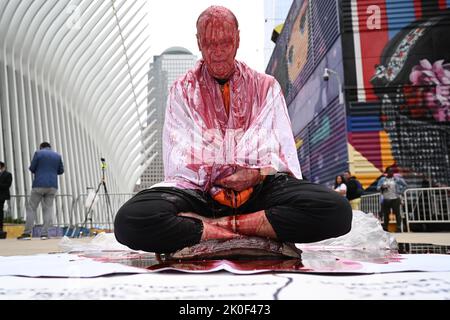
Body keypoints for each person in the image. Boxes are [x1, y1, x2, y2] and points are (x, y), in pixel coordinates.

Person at [114, 6, 352, 254]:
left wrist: (257, 174)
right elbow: (179, 154)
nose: (217, 53)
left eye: (225, 43)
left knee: (336, 211)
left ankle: (214, 228)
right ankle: (250, 228)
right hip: (201, 194)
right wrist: (216, 174)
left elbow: (281, 150)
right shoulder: (182, 90)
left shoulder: (266, 87)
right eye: (209, 44)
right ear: (198, 42)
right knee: (130, 220)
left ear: (238, 39)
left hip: (259, 193)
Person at [18, 142, 64, 240]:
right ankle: (44, 234)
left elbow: (32, 168)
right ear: (50, 147)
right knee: (48, 209)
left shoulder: (38, 153)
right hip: (52, 186)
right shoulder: (57, 155)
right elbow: (61, 171)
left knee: (31, 208)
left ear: (41, 147)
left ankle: (27, 234)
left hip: (39, 184)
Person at [376, 167, 408, 232]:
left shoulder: (397, 179)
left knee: (397, 214)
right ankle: (385, 227)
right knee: (386, 214)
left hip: (395, 198)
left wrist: (400, 192)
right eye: (390, 171)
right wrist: (382, 187)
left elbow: (405, 185)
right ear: (386, 172)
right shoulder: (382, 179)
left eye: (392, 171)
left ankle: (398, 228)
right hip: (386, 199)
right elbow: (378, 188)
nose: (391, 173)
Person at [0, 161, 13, 236]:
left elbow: (7, 185)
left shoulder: (8, 174)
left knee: (0, 212)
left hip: (2, 196)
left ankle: (0, 228)